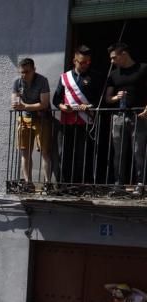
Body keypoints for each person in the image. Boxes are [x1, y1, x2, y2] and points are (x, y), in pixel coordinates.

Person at [53, 45, 104, 187]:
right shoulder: (65, 77)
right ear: (74, 60)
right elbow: (56, 99)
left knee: (84, 154)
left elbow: (100, 99)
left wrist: (89, 106)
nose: (85, 65)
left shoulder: (95, 77)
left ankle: (83, 185)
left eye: (88, 62)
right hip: (67, 121)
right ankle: (65, 184)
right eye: (82, 62)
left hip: (86, 121)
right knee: (66, 153)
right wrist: (63, 106)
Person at [104, 42, 147, 195]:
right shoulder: (113, 74)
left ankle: (140, 184)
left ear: (124, 54)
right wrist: (116, 97)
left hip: (139, 115)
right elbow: (107, 98)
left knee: (138, 151)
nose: (112, 61)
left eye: (114, 57)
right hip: (119, 115)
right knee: (118, 152)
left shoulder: (143, 68)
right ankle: (118, 184)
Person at [11, 57, 52, 187]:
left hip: (42, 118)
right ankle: (28, 183)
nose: (24, 75)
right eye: (21, 72)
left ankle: (48, 183)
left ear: (34, 69)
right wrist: (18, 105)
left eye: (27, 72)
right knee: (25, 152)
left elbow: (44, 104)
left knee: (45, 151)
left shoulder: (42, 81)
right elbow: (15, 102)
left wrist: (25, 106)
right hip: (24, 118)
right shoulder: (17, 82)